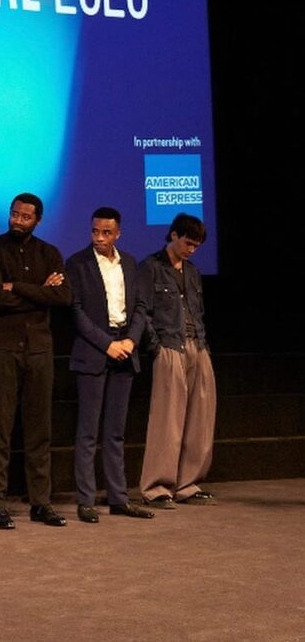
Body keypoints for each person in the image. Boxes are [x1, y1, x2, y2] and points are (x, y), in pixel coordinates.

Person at [0, 192, 72, 529]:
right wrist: (38, 292)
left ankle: (40, 503)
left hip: (39, 350)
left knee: (39, 430)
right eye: (14, 214)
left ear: (38, 220)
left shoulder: (50, 253)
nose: (18, 220)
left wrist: (15, 286)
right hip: (3, 349)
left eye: (25, 217)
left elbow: (62, 296)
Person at [65, 207, 153, 522]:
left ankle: (118, 498)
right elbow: (75, 312)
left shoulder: (129, 263)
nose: (99, 238)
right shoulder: (78, 263)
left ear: (118, 234)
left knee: (116, 432)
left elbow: (141, 306)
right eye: (95, 232)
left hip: (126, 351)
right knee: (88, 431)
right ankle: (86, 500)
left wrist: (130, 340)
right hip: (94, 350)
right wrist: (107, 344)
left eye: (106, 233)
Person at [137, 213, 217, 508]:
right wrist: (155, 347)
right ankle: (157, 487)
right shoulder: (151, 267)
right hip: (169, 346)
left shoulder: (193, 272)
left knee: (200, 418)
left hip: (198, 345)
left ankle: (187, 483)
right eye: (188, 243)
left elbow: (199, 310)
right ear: (173, 235)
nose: (191, 249)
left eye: (196, 246)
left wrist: (202, 346)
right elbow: (143, 311)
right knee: (167, 421)